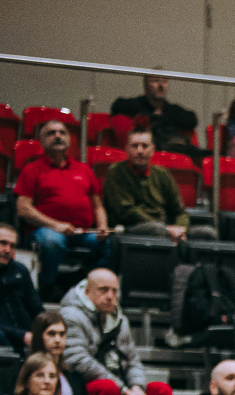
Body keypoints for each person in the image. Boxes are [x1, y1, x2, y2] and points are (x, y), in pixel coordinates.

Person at [60, 269, 179, 395]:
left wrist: (137, 387)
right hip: (84, 387)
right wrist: (123, 389)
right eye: (104, 290)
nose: (110, 296)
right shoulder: (70, 315)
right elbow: (78, 360)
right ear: (87, 291)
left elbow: (132, 360)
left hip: (120, 385)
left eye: (114, 291)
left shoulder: (120, 320)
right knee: (107, 387)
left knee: (161, 390)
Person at [14, 119, 111, 294]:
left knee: (110, 243)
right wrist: (56, 225)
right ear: (42, 141)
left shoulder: (84, 169)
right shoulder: (32, 169)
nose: (57, 136)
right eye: (51, 133)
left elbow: (98, 206)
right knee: (52, 241)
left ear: (69, 139)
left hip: (82, 233)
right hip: (45, 231)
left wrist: (102, 227)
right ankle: (47, 287)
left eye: (62, 132)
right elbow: (23, 209)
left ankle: (85, 287)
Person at [101, 129, 218, 242]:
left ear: (152, 150)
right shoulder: (116, 172)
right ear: (127, 149)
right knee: (157, 229)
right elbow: (126, 212)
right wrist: (167, 229)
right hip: (131, 227)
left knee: (208, 232)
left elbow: (179, 211)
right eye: (135, 146)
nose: (140, 151)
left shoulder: (162, 174)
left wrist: (181, 229)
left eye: (144, 146)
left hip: (165, 227)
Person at [25, 310, 99, 395]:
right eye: (51, 334)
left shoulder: (75, 377)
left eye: (62, 334)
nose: (58, 339)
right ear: (39, 337)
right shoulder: (24, 373)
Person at [110, 73, 200, 159]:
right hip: (149, 150)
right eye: (155, 81)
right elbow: (117, 106)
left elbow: (192, 120)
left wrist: (163, 118)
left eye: (164, 81)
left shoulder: (171, 109)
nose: (161, 85)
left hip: (174, 148)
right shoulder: (137, 104)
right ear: (146, 86)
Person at [0, 224, 43, 353]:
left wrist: (47, 328)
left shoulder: (20, 270)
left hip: (27, 340)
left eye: (12, 246)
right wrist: (22, 336)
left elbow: (36, 308)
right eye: (3, 243)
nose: (7, 249)